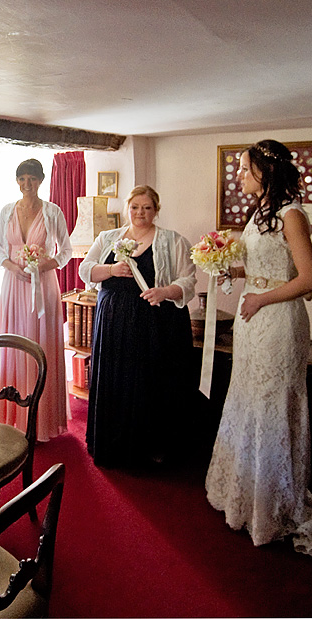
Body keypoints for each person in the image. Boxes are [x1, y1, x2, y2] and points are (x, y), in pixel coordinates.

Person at [205, 139, 312, 564]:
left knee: (272, 406)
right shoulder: (260, 214)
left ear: (266, 172)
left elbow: (310, 278)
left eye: (244, 168)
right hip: (254, 319)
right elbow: (265, 268)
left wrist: (260, 299)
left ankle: (275, 506)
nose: (237, 175)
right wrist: (232, 269)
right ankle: (248, 497)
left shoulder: (291, 214)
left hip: (277, 323)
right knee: (249, 402)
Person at [78, 185, 196, 467]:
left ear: (156, 210)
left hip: (153, 325)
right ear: (127, 209)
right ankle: (111, 443)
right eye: (135, 207)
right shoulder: (108, 237)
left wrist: (164, 292)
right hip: (113, 323)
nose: (140, 213)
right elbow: (86, 269)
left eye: (147, 208)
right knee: (114, 380)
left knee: (147, 382)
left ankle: (147, 447)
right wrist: (111, 270)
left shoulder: (173, 241)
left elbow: (188, 281)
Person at [0, 159, 73, 441]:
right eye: (22, 179)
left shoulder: (53, 212)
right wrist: (14, 267)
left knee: (42, 345)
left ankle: (42, 420)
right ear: (17, 181)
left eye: (33, 179)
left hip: (44, 285)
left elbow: (66, 251)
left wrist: (43, 266)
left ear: (41, 181)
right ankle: (12, 415)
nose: (27, 184)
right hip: (13, 285)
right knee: (14, 344)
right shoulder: (6, 211)